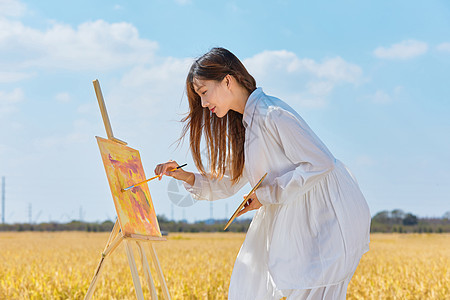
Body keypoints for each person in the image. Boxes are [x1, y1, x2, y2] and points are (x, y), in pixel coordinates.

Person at [154, 47, 371, 300]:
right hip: (302, 216)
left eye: (204, 93)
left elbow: (321, 162)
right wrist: (187, 176)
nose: (203, 104)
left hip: (327, 218)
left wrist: (267, 195)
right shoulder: (246, 124)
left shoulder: (272, 114)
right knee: (251, 284)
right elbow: (230, 181)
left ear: (227, 80)